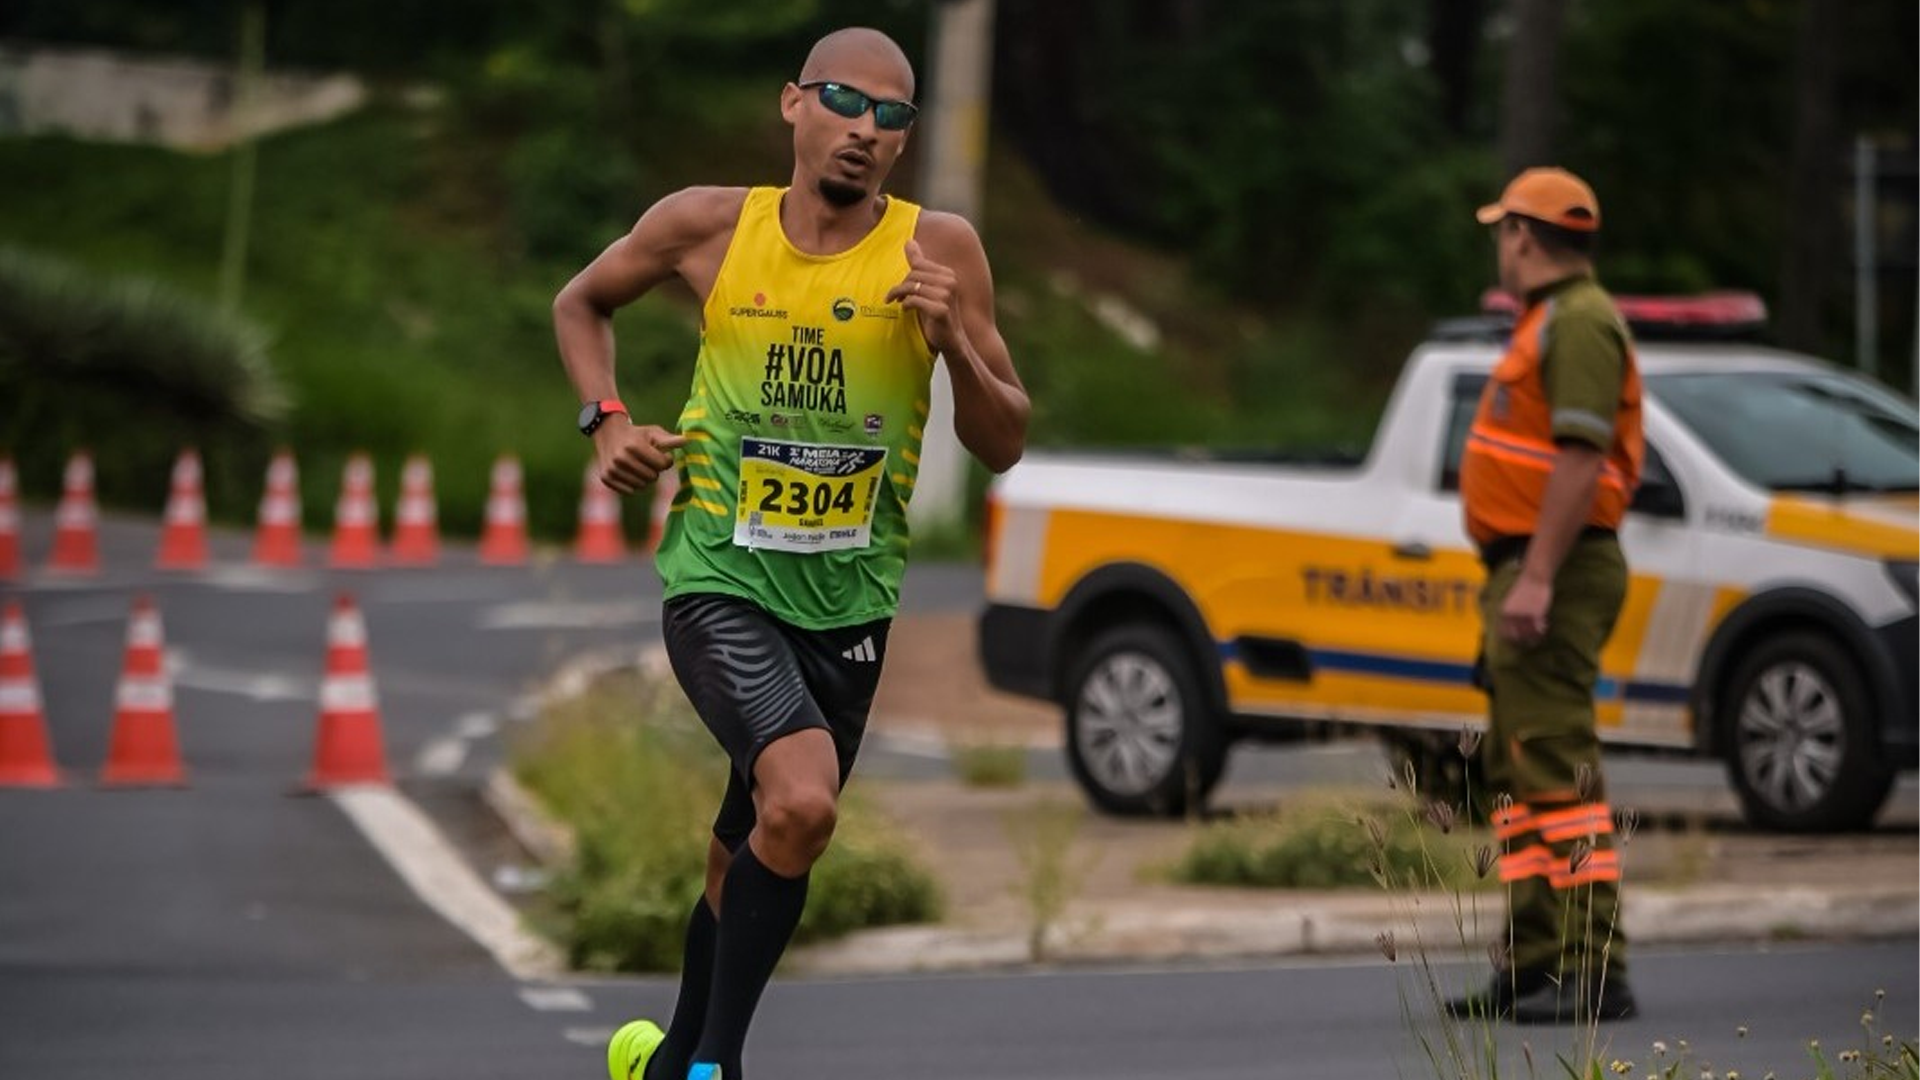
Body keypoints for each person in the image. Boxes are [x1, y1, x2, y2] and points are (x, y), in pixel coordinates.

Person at [552, 26, 1029, 1080]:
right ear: (792, 106)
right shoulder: (710, 228)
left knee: (754, 839)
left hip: (849, 604)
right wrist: (608, 421)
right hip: (720, 578)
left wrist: (954, 350)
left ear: (904, 141)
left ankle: (671, 1058)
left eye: (891, 117)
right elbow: (579, 302)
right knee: (803, 803)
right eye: (844, 103)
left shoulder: (937, 251)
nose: (864, 131)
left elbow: (1004, 442)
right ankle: (721, 1064)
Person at [1446, 167, 1642, 1024]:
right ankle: (1530, 966)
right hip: (1528, 570)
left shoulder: (1582, 322)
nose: (1501, 241)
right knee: (1520, 771)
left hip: (1552, 572)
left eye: (1503, 228)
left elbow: (1580, 458)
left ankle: (1594, 970)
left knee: (1557, 771)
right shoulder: (1548, 322)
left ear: (1525, 235)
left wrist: (1535, 577)